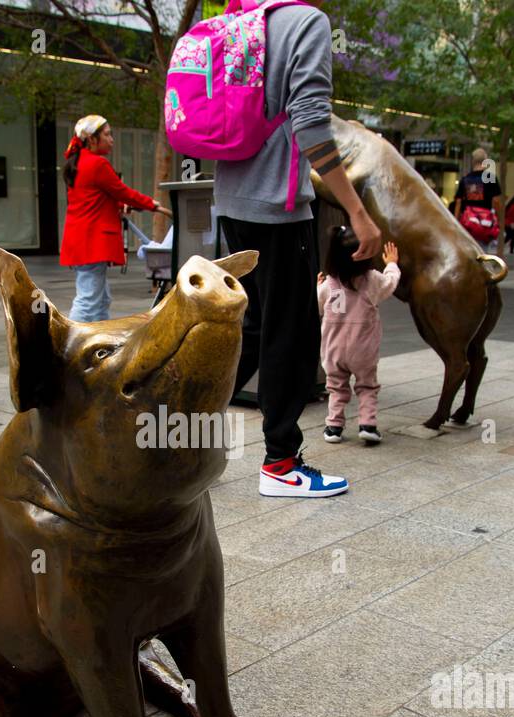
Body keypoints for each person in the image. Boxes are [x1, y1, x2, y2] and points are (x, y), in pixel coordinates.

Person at [214, 0, 381, 499]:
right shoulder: (305, 22)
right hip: (279, 209)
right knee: (290, 334)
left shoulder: (235, 22)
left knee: (252, 328)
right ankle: (281, 464)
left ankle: (171, 433)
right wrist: (357, 211)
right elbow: (311, 125)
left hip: (231, 202)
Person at [60, 115, 171, 322]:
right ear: (92, 139)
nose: (111, 139)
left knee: (100, 298)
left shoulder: (80, 163)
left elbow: (97, 198)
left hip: (83, 241)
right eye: (107, 134)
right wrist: (152, 205)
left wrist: (123, 206)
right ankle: (71, 345)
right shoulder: (97, 164)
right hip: (91, 242)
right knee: (89, 300)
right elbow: (122, 192)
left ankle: (99, 339)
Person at [317, 228, 399, 446]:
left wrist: (317, 286)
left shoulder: (330, 284)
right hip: (363, 350)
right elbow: (391, 282)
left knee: (336, 387)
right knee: (367, 386)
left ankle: (334, 427)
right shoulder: (371, 280)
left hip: (333, 350)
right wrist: (392, 263)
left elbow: (318, 305)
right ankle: (367, 425)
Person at [453, 147, 502, 249]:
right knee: (482, 251)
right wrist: (500, 219)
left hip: (468, 221)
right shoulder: (490, 178)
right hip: (485, 221)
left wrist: (455, 221)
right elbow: (496, 201)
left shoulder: (465, 179)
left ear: (473, 161)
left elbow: (458, 202)